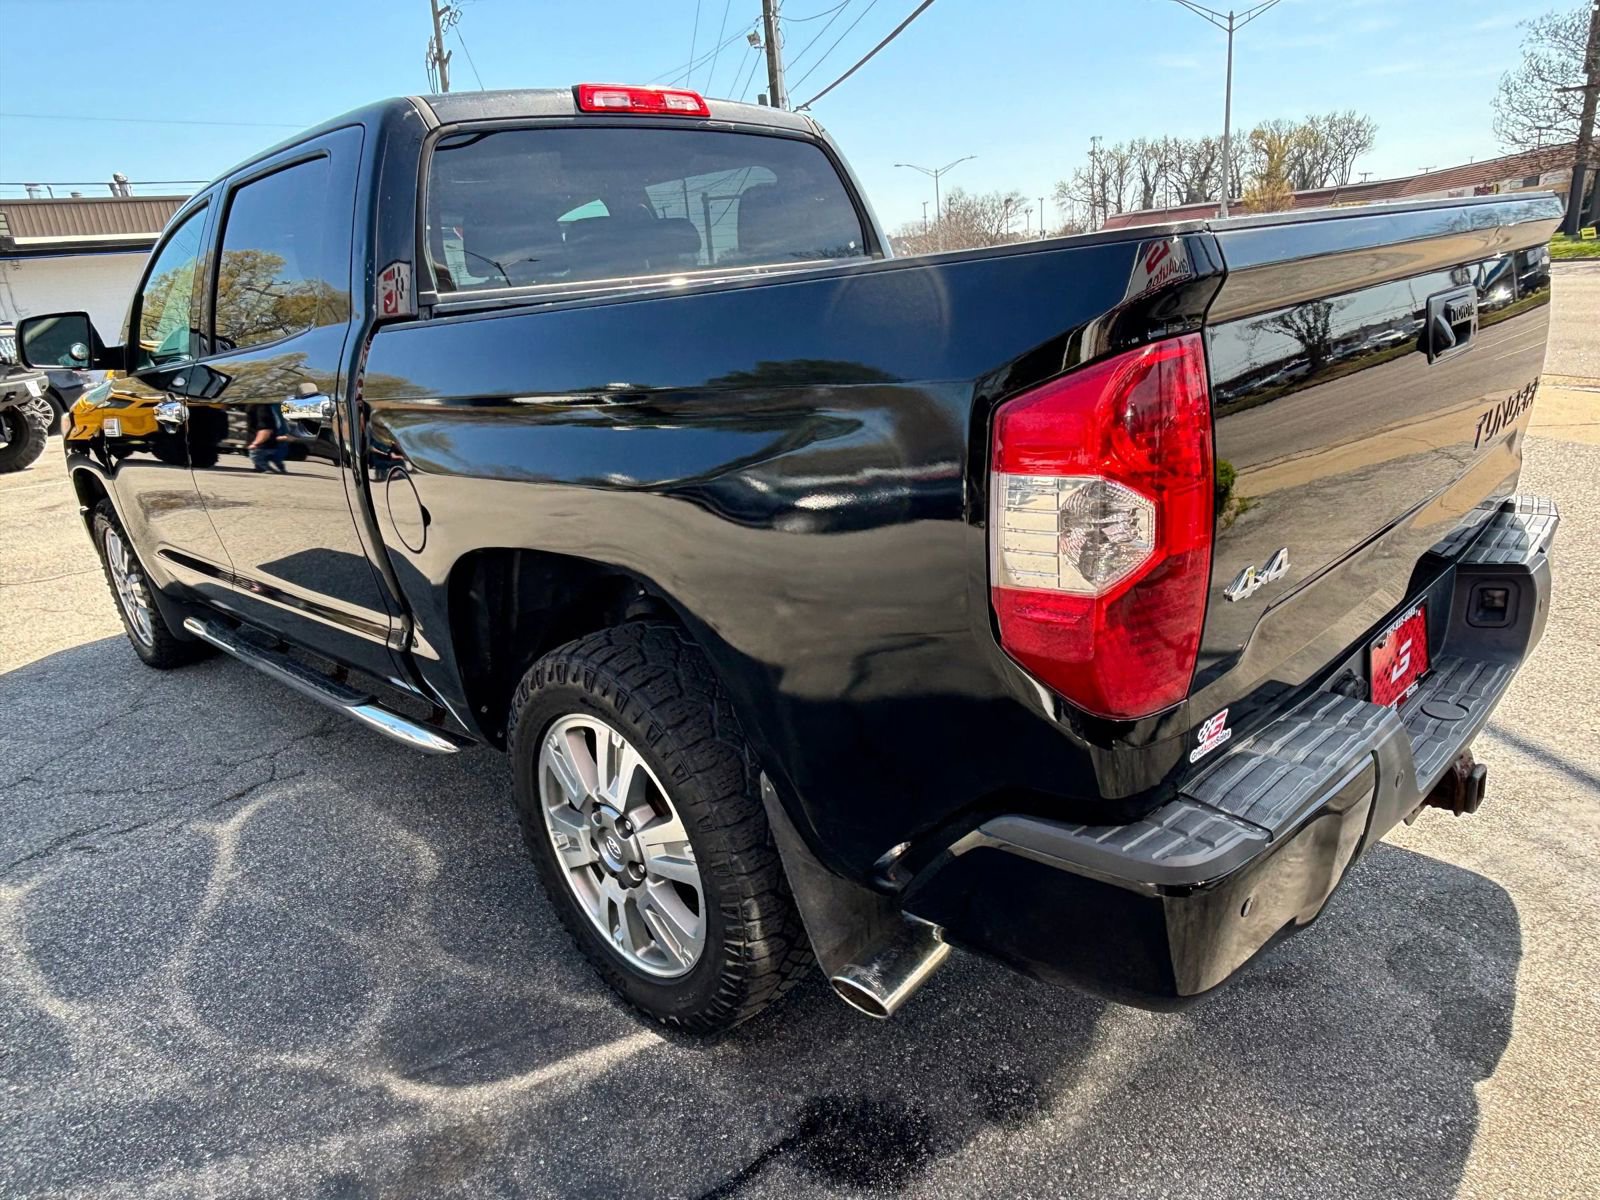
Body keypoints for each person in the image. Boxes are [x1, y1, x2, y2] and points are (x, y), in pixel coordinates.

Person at [246, 399, 290, 474]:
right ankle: (277, 468)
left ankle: (265, 468)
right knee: (273, 455)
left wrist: (256, 443)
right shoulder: (277, 405)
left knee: (257, 454)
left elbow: (266, 426)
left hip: (269, 434)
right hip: (275, 433)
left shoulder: (264, 407)